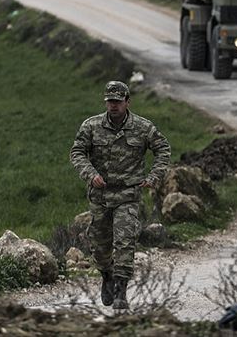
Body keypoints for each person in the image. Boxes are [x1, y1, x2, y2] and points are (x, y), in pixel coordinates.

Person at [70, 81, 171, 310]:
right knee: (100, 245)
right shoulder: (92, 126)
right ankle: (107, 276)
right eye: (110, 101)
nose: (113, 106)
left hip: (128, 195)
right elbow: (77, 152)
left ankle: (121, 292)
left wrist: (154, 176)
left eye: (117, 101)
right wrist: (90, 173)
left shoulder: (143, 128)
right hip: (100, 196)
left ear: (127, 102)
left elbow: (163, 149)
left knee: (125, 241)